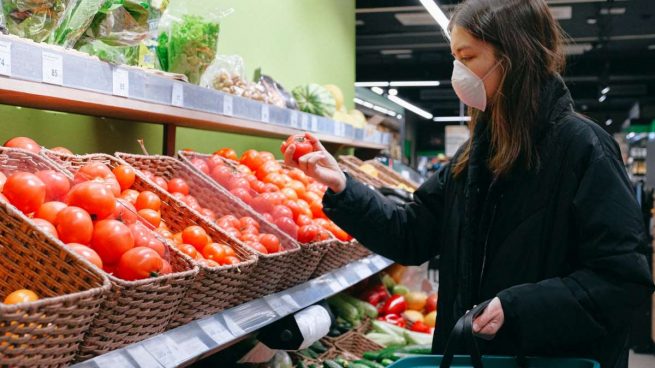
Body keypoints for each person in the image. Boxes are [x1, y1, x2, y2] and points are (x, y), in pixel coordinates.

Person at [283, 0, 655, 367]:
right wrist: (342, 188)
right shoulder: (475, 155)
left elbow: (621, 281)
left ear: (513, 58)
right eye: (454, 58)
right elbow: (412, 233)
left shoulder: (584, 149)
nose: (457, 71)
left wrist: (517, 308)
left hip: (552, 359)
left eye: (468, 56)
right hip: (474, 357)